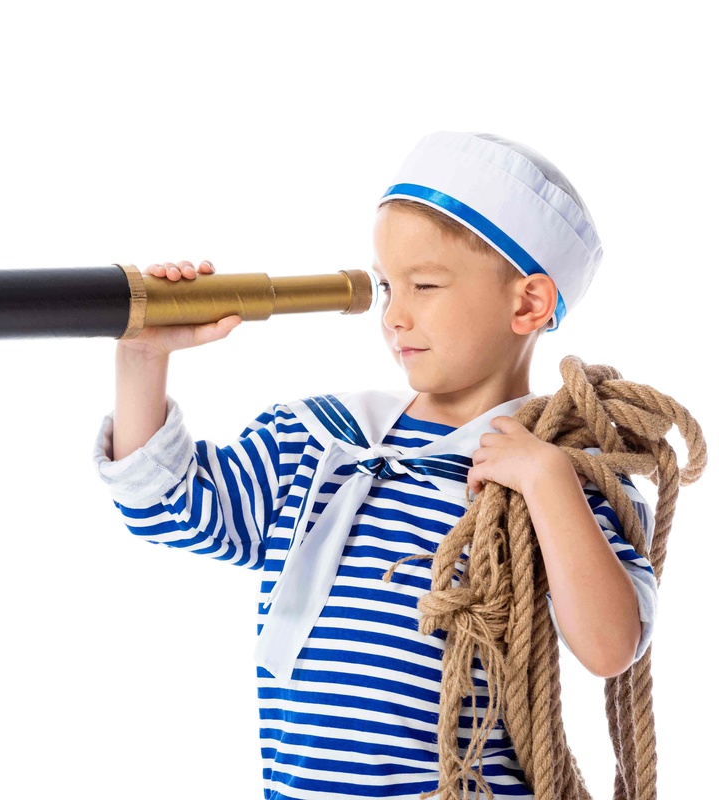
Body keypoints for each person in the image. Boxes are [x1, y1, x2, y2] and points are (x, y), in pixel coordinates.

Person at [93, 132, 656, 799]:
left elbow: (610, 646)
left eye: (425, 285)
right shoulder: (319, 442)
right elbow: (165, 508)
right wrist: (143, 357)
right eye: (388, 284)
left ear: (527, 303)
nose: (394, 314)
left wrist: (546, 479)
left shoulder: (559, 470)